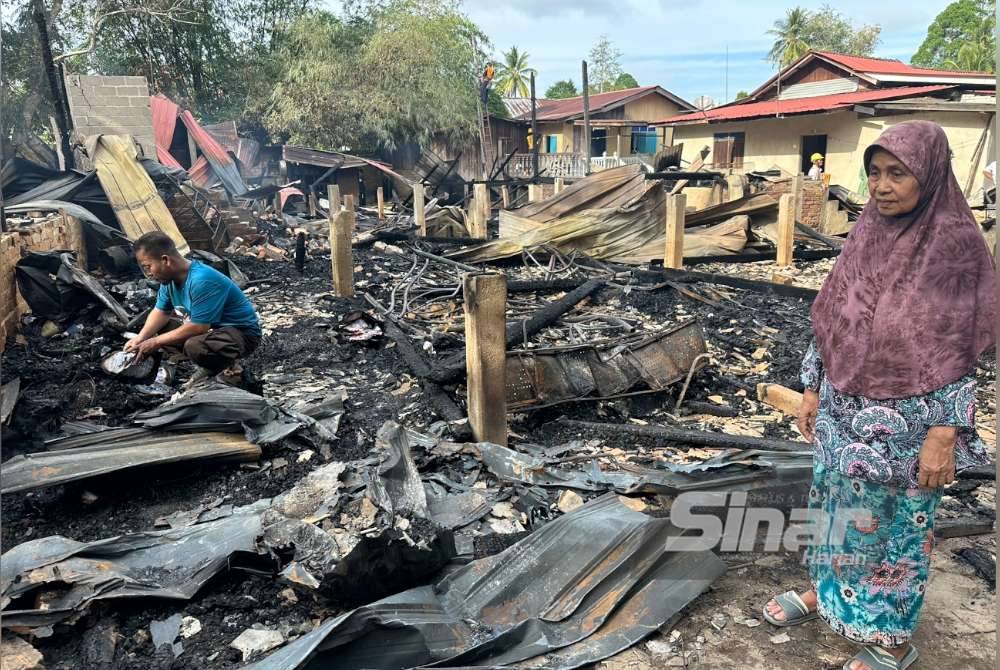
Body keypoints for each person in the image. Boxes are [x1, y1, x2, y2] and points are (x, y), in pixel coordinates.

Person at [762, 121, 998, 670]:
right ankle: (828, 594)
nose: (882, 186)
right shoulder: (866, 232)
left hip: (910, 422)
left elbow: (960, 347)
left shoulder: (955, 247)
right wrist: (812, 387)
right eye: (874, 173)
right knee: (834, 508)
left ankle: (892, 638)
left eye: (897, 173)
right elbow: (833, 316)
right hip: (843, 409)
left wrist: (945, 433)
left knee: (897, 526)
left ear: (929, 175)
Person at [125, 231, 262, 383]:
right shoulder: (168, 281)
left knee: (195, 346)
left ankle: (227, 367)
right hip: (213, 331)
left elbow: (199, 327)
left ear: (165, 260)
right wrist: (141, 338)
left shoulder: (202, 280)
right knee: (164, 327)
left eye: (148, 267)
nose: (148, 274)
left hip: (242, 334)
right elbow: (161, 311)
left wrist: (155, 342)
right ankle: (205, 361)